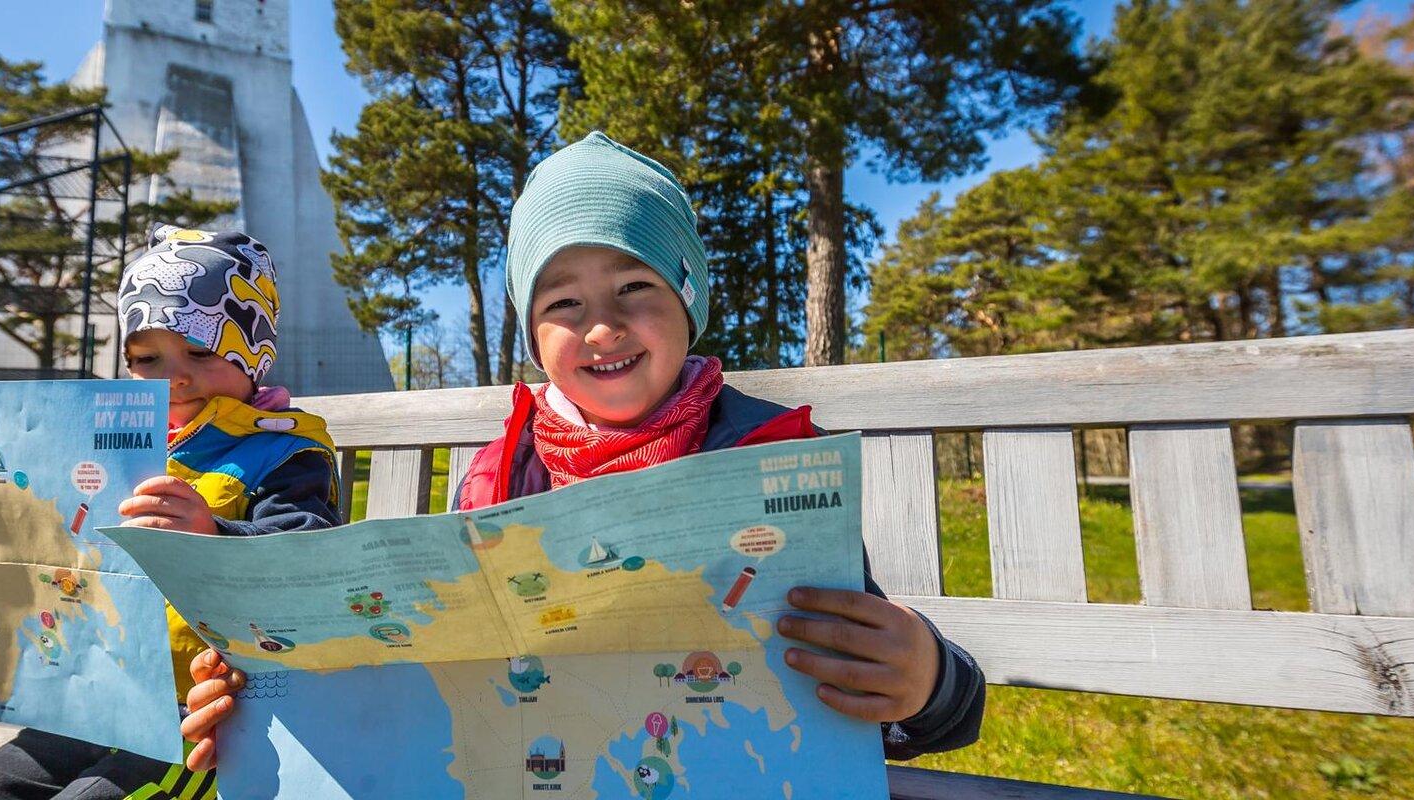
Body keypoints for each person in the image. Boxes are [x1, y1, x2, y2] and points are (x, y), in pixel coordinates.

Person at [176, 133, 986, 773]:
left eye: (635, 288)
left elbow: (903, 691)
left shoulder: (773, 464)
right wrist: (267, 699)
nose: (602, 328)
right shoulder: (497, 482)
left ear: (687, 298)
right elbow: (433, 677)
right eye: (564, 303)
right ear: (532, 336)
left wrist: (925, 683)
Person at [0, 224, 344, 800]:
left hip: (206, 712)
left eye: (201, 350)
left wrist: (216, 535)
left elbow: (311, 563)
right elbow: (23, 545)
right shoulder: (104, 445)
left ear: (255, 352)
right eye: (146, 357)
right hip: (96, 694)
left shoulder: (285, 451)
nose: (174, 375)